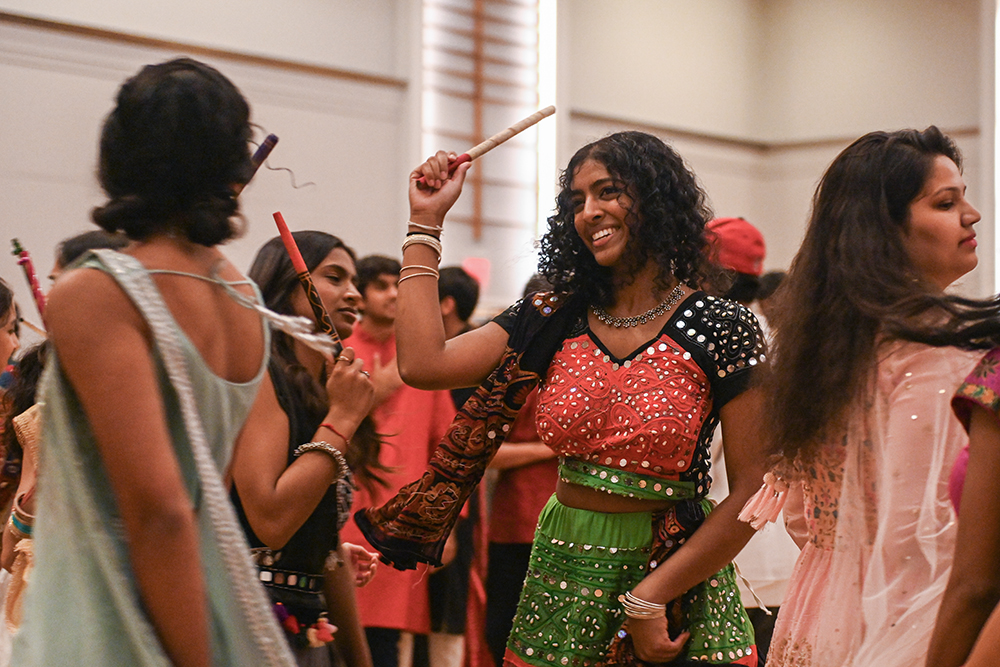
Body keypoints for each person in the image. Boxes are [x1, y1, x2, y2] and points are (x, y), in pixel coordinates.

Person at [357, 130, 769, 667]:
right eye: (577, 201)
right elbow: (422, 364)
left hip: (673, 576)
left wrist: (649, 599)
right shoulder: (553, 315)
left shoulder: (723, 325)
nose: (589, 211)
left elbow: (753, 491)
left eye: (607, 192)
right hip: (562, 572)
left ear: (656, 198)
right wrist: (425, 223)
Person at [10, 58, 297, 666]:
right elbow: (202, 496)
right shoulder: (244, 299)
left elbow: (162, 509)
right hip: (206, 603)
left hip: (111, 617)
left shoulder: (98, 291)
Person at [750, 126, 983, 667]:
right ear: (885, 229)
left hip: (820, 598)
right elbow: (918, 539)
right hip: (903, 613)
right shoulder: (931, 354)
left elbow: (804, 520)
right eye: (946, 203)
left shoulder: (824, 348)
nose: (971, 216)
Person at [234, 230, 379, 667]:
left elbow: (326, 554)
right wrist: (345, 420)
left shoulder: (323, 393)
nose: (354, 294)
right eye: (334, 277)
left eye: (354, 281)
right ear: (284, 284)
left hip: (306, 627)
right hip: (249, 626)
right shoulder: (259, 373)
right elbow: (271, 520)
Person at [340, 256, 458, 667]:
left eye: (398, 285)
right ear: (361, 293)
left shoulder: (419, 359)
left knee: (388, 641)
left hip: (404, 515)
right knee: (337, 629)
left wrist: (447, 523)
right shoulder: (342, 350)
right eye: (382, 286)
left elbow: (446, 444)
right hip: (347, 509)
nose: (392, 294)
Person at [703, 218, 797, 666]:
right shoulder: (786, 342)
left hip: (728, 546)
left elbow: (706, 456)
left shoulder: (720, 341)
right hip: (787, 549)